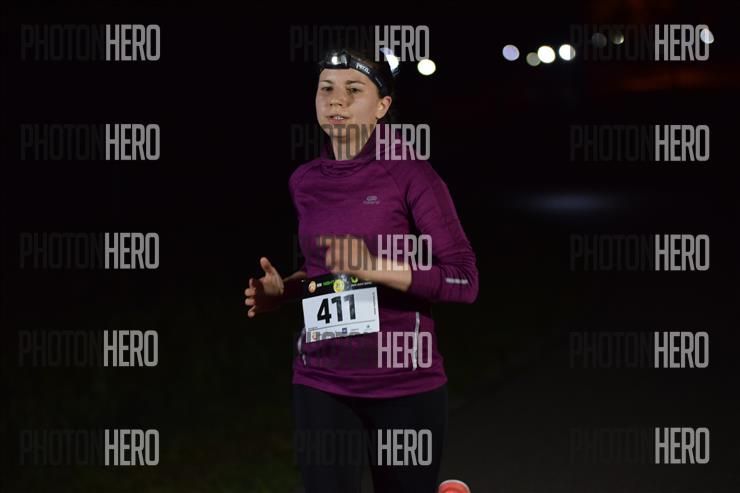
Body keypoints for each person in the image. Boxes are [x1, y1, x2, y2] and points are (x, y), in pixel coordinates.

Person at [244, 47, 478, 492]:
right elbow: (327, 272)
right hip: (320, 379)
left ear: (383, 106)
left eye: (354, 90)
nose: (336, 100)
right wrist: (283, 292)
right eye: (326, 89)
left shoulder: (410, 174)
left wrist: (376, 268)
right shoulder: (304, 181)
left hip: (404, 383)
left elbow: (464, 279)